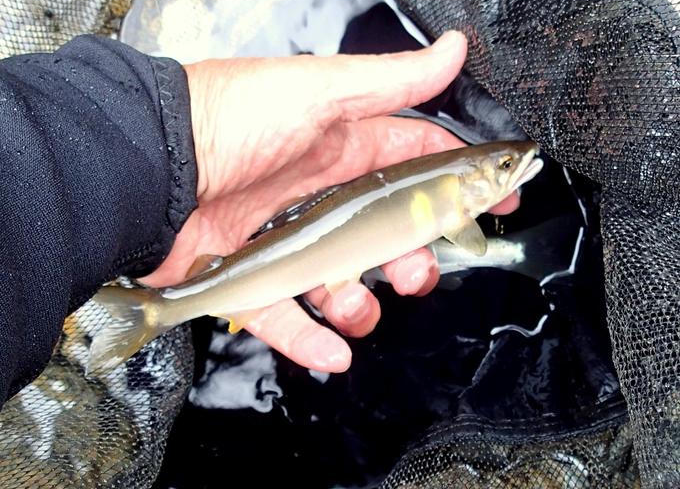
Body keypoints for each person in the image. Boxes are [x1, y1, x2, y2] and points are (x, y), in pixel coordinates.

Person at [0, 30, 518, 406]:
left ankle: (160, 308)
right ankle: (158, 310)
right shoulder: (458, 210)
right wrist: (178, 135)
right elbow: (470, 244)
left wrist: (171, 138)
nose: (515, 168)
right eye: (506, 167)